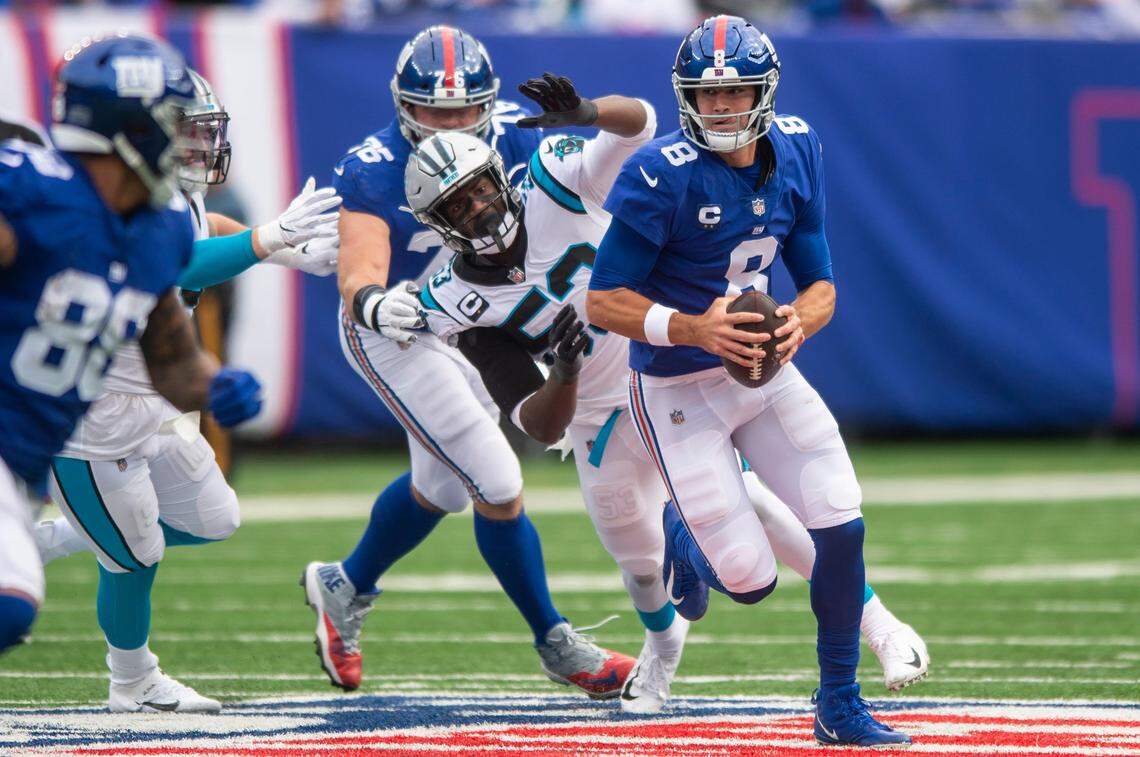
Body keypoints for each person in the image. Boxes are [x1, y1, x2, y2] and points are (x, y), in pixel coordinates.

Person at [586, 16, 914, 745]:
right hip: (674, 385)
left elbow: (821, 283)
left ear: (764, 91)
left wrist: (799, 321)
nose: (721, 106)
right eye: (707, 93)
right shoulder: (660, 171)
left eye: (735, 91)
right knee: (749, 580)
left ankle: (839, 701)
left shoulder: (797, 147)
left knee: (841, 518)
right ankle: (683, 532)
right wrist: (694, 327)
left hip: (761, 371)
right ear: (685, 96)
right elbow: (602, 300)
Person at [301, 26, 634, 698]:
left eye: (464, 110)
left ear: (488, 103)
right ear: (403, 107)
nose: (451, 124)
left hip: (471, 326)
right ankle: (556, 640)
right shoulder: (374, 166)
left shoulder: (517, 134)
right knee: (496, 479)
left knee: (447, 487)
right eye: (433, 111)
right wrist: (372, 304)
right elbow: (361, 271)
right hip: (398, 327)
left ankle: (344, 583)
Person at [32, 68, 341, 713]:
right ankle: (132, 681)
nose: (203, 145)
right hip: (88, 415)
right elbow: (173, 261)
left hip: (154, 398)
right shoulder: (102, 203)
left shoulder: (169, 193)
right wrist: (269, 241)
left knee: (213, 518)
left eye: (205, 130)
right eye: (185, 132)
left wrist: (277, 249)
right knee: (134, 555)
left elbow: (200, 228)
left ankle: (61, 536)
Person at [0, 33, 262, 661]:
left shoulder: (160, 226)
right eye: (175, 125)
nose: (189, 144)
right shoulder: (27, 193)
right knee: (12, 601)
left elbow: (172, 361)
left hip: (25, 457)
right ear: (132, 130)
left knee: (13, 604)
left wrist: (215, 386)